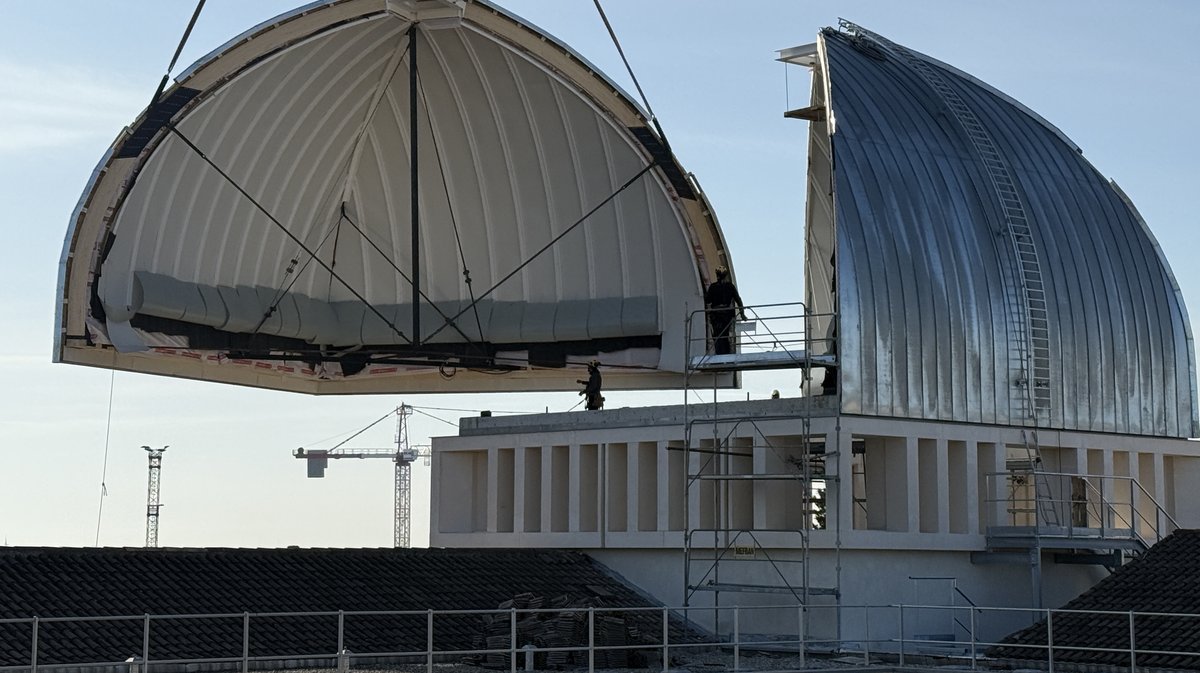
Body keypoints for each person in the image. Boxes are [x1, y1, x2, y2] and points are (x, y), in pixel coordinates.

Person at [705, 265, 744, 355]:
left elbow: (708, 300)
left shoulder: (713, 287)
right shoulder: (730, 286)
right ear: (725, 275)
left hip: (716, 315)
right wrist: (742, 314)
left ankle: (720, 354)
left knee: (718, 336)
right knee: (726, 335)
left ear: (717, 275)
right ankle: (726, 354)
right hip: (726, 315)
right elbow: (738, 299)